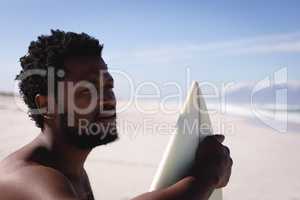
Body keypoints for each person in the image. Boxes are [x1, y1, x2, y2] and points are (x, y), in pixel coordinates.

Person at [0, 30, 232, 200]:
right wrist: (206, 177)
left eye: (108, 86)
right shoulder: (29, 177)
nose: (108, 98)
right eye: (87, 89)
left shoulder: (70, 169)